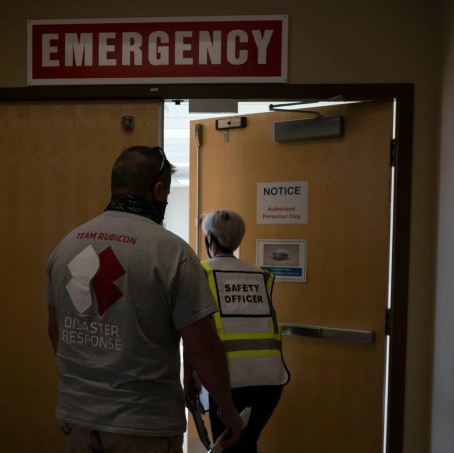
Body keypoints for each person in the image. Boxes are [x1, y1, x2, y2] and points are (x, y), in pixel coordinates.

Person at [45, 145, 243, 453]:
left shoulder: (67, 246)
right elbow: (202, 346)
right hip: (142, 426)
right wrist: (227, 409)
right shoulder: (172, 252)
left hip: (77, 418)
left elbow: (56, 331)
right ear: (158, 189)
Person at [185, 209, 291, 453]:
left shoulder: (201, 273)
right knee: (246, 445)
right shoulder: (261, 276)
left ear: (209, 239)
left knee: (229, 448)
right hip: (270, 382)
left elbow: (195, 335)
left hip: (227, 383)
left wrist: (188, 377)